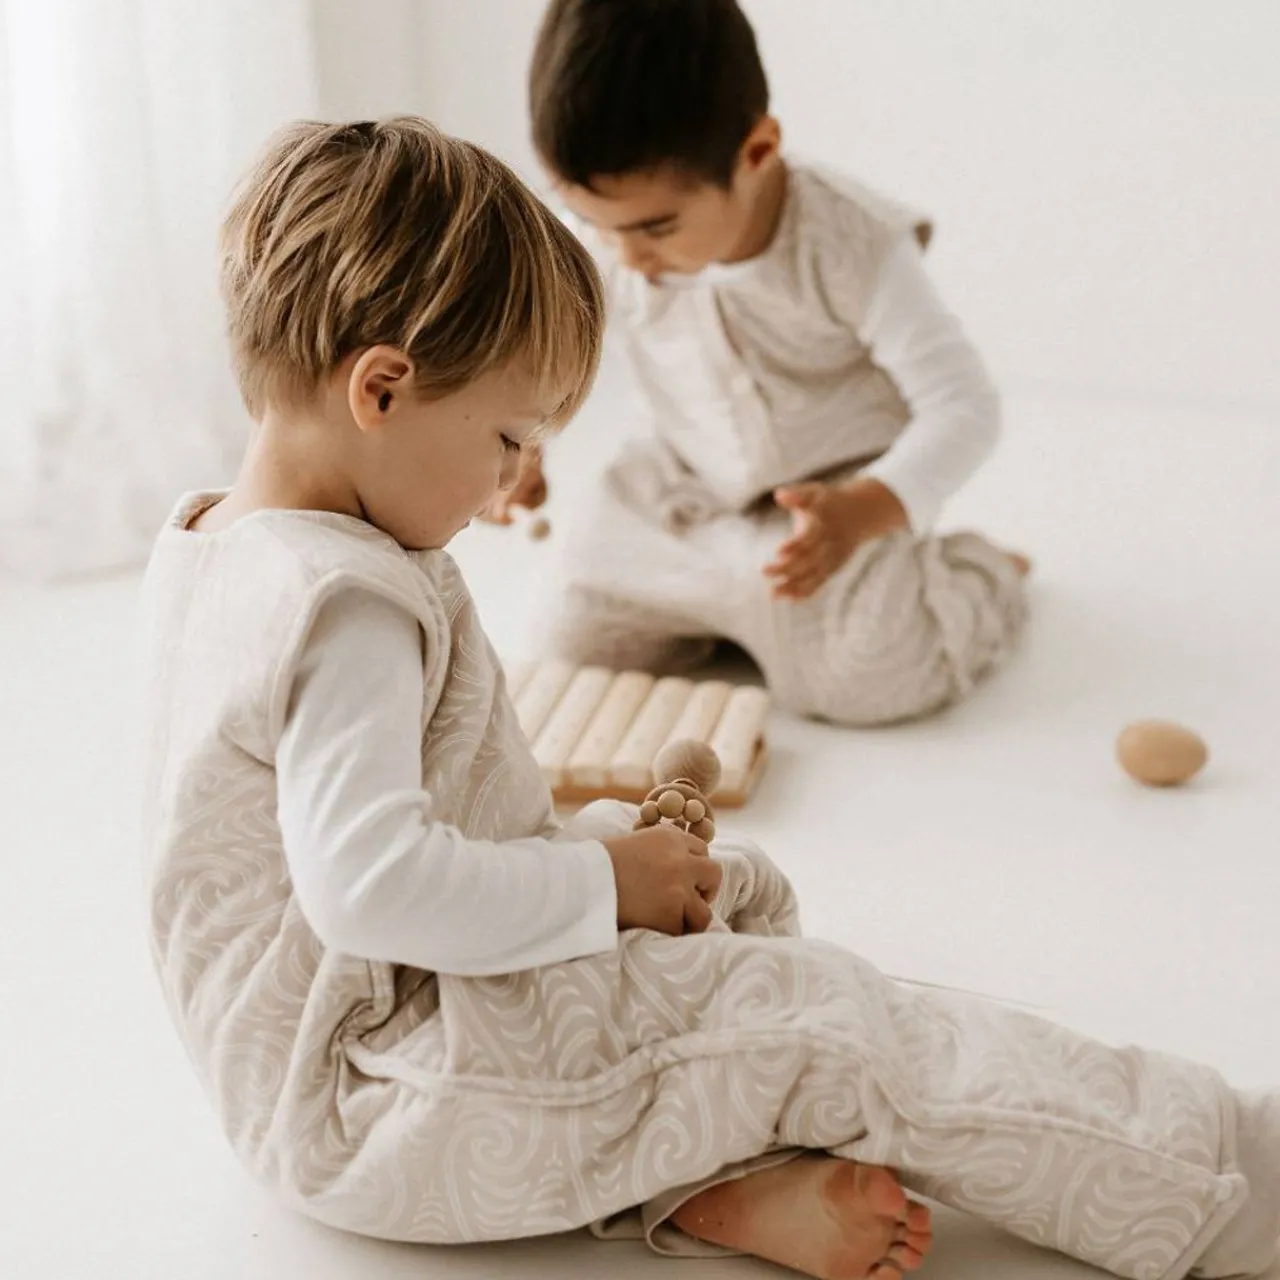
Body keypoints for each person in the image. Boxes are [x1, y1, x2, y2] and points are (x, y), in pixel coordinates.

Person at [139, 116, 1280, 1280]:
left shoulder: (223, 544)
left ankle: (702, 1176)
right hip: (383, 1093)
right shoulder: (347, 606)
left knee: (732, 895)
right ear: (381, 388)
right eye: (507, 437)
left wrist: (606, 867)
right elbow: (374, 888)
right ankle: (1230, 1178)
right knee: (832, 1023)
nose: (507, 483)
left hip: (338, 1064)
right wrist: (600, 881)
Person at [491, 0, 1028, 726]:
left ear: (756, 152)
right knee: (566, 643)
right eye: (594, 222)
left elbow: (965, 406)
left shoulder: (851, 245)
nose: (627, 257)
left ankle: (979, 579)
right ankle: (734, 612)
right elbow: (547, 348)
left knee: (869, 679)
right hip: (680, 486)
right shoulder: (616, 236)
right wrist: (524, 442)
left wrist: (866, 508)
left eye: (657, 227)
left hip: (828, 507)